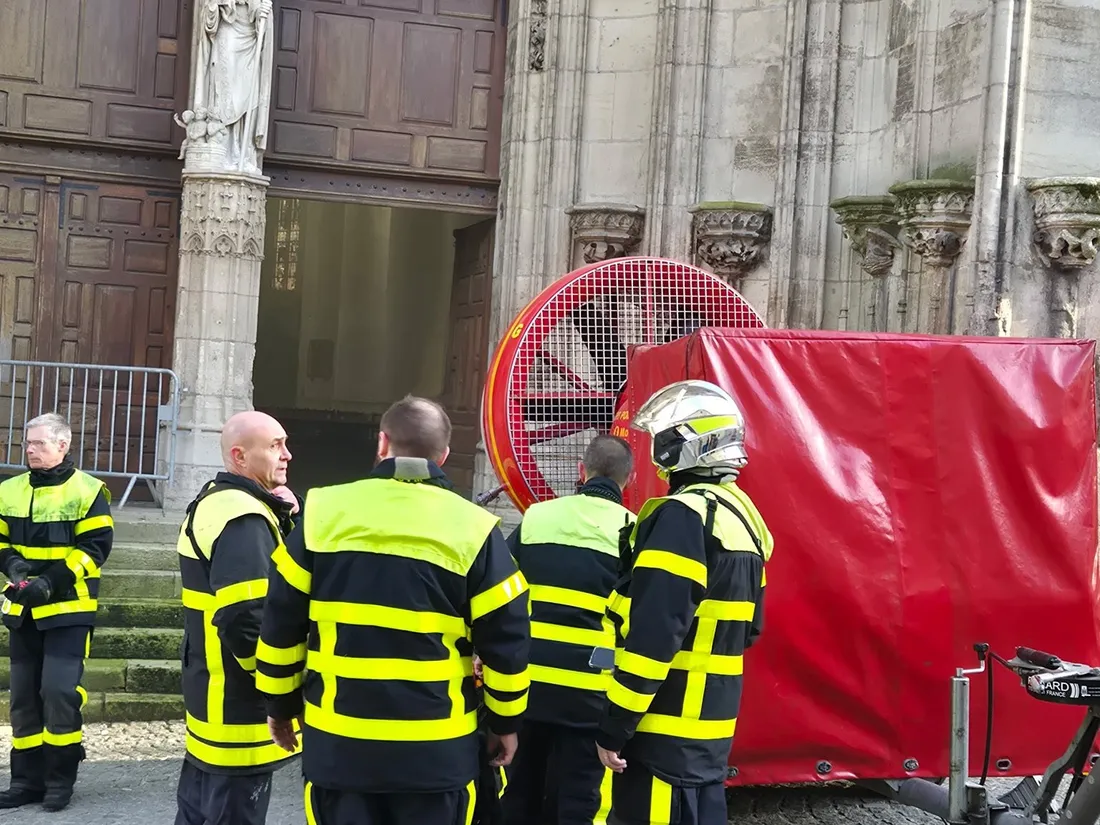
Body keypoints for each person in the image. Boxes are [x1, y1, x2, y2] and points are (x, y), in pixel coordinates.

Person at [256, 395, 531, 825]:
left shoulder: (321, 514)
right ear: (443, 454)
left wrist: (278, 705)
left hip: (340, 747)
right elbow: (508, 642)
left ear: (382, 443)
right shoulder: (475, 529)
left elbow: (280, 626)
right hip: (436, 754)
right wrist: (505, 722)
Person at [595, 380, 774, 825]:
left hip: (662, 733)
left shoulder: (682, 517)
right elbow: (750, 630)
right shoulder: (743, 522)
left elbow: (654, 638)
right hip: (708, 735)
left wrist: (615, 726)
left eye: (667, 438)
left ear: (689, 445)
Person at [174, 410, 304, 825]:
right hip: (238, 707)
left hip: (211, 694)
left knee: (197, 812)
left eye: (284, 443)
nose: (287, 454)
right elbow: (245, 618)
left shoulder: (219, 499)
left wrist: (286, 516)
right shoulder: (243, 517)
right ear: (240, 457)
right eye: (274, 446)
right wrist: (275, 688)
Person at [501, 434, 636, 825]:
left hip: (528, 688)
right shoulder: (636, 533)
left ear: (581, 470)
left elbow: (501, 599)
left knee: (519, 791)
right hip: (591, 696)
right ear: (628, 479)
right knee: (579, 799)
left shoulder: (536, 518)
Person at [0, 412, 113, 812]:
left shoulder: (88, 490)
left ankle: (59, 780)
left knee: (59, 692)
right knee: (24, 699)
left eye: (39, 444)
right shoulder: (8, 489)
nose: (30, 450)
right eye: (27, 444)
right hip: (23, 608)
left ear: (62, 445)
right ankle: (25, 781)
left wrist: (53, 581)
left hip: (69, 608)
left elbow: (96, 547)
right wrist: (11, 566)